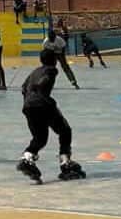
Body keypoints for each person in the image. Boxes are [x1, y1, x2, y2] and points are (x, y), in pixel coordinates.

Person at [16, 49, 85, 183]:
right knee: (65, 130)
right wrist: (40, 88)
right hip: (43, 104)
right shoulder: (51, 69)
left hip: (28, 107)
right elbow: (46, 79)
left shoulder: (34, 71)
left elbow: (23, 88)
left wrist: (29, 99)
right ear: (54, 60)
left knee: (40, 138)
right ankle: (65, 163)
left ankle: (27, 158)